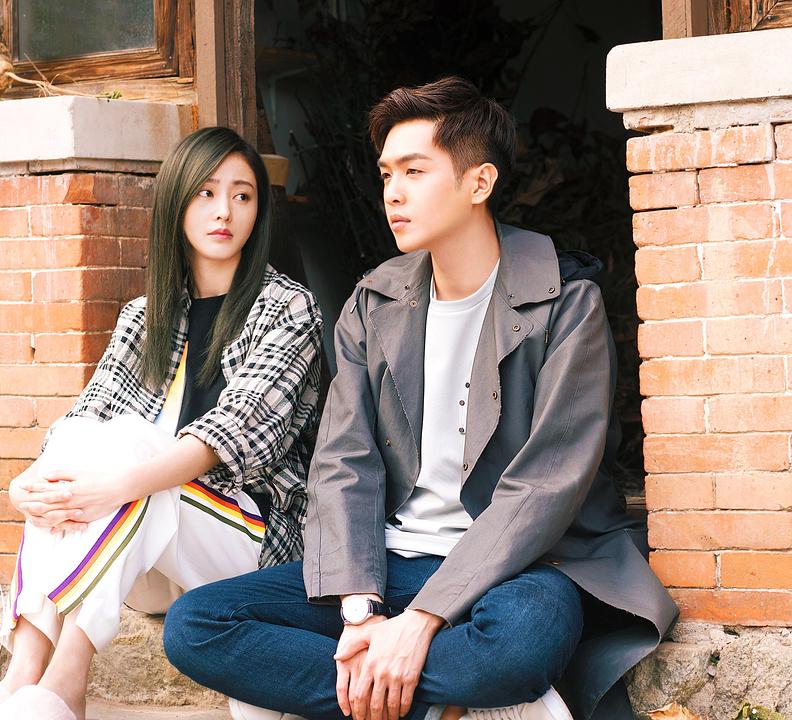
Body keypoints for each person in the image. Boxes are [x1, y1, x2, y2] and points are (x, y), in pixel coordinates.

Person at [163, 76, 678, 720]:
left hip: (520, 567)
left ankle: (386, 688)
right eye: (386, 174)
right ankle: (430, 701)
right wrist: (361, 612)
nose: (393, 193)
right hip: (390, 561)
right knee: (196, 624)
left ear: (479, 183)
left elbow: (546, 485)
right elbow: (344, 462)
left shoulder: (566, 301)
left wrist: (423, 621)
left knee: (519, 645)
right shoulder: (374, 301)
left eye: (414, 171)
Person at [0, 126, 323, 720]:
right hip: (145, 551)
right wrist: (26, 486)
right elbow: (83, 420)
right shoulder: (145, 316)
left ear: (258, 212)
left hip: (252, 544)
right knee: (89, 444)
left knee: (134, 451)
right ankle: (22, 677)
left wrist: (114, 487)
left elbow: (233, 434)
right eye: (206, 192)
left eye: (242, 195)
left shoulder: (288, 308)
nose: (224, 211)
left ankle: (64, 680)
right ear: (176, 203)